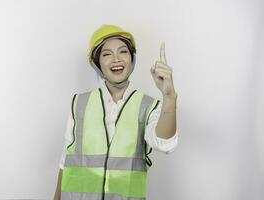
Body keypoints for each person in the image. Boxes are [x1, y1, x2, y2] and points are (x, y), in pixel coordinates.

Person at [54, 24, 179, 200]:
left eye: (123, 51)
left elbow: (166, 145)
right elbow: (65, 160)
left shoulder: (148, 106)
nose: (116, 59)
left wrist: (169, 96)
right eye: (106, 54)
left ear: (131, 58)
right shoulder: (79, 103)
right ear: (97, 63)